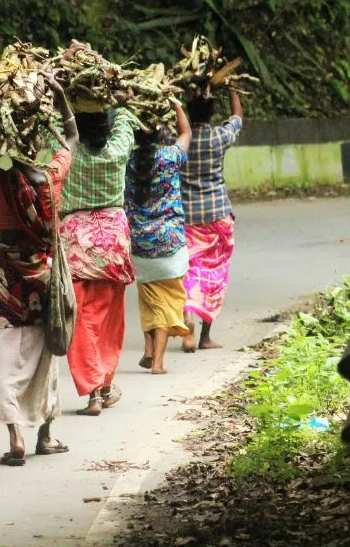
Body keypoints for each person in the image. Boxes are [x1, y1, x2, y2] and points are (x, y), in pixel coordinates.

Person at [0, 85, 79, 466]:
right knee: (45, 351)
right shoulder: (52, 178)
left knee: (1, 352)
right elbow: (73, 137)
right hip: (42, 275)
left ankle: (15, 434)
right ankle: (46, 435)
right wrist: (61, 100)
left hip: (5, 276)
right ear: (36, 144)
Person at [60, 106, 137, 416]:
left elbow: (54, 123)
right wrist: (116, 100)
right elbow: (127, 120)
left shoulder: (67, 153)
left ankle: (94, 390)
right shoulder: (117, 150)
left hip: (76, 245)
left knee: (79, 319)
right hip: (112, 246)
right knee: (108, 319)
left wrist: (62, 95)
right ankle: (103, 386)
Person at [124, 100, 192, 374]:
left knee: (148, 296)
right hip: (170, 244)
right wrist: (177, 106)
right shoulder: (168, 158)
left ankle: (148, 350)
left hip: (138, 244)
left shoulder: (127, 161)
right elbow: (186, 133)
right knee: (168, 301)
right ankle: (159, 363)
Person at [180, 85, 244, 352]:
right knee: (215, 273)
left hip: (186, 216)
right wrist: (233, 92)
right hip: (217, 215)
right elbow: (238, 118)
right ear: (212, 113)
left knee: (188, 270)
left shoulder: (178, 140)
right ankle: (205, 335)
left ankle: (186, 322)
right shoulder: (219, 137)